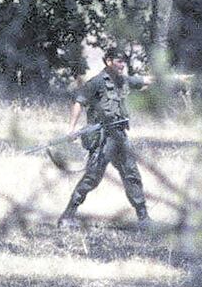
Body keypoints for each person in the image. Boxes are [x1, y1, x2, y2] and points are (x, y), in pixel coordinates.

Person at [57, 48, 152, 229]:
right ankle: (67, 216)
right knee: (92, 177)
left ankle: (144, 218)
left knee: (132, 174)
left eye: (124, 61)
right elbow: (79, 102)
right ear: (108, 61)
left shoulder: (123, 81)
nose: (122, 65)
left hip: (120, 137)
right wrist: (71, 129)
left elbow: (147, 80)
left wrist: (175, 80)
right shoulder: (97, 82)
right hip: (104, 139)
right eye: (118, 61)